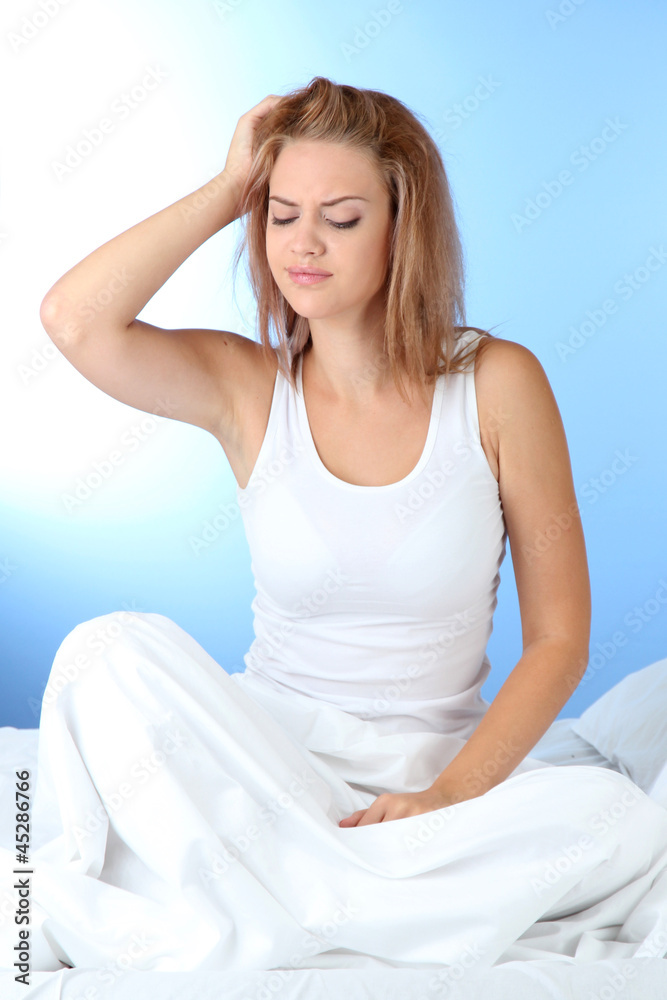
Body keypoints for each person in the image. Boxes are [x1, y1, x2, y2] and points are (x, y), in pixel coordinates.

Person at [22, 75, 667, 975]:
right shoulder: (248, 387)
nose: (303, 244)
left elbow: (559, 642)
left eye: (341, 218)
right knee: (103, 653)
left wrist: (445, 798)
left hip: (433, 775)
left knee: (614, 819)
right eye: (281, 214)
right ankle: (354, 898)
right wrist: (227, 187)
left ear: (404, 226)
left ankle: (283, 900)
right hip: (266, 759)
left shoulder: (496, 385)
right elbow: (74, 320)